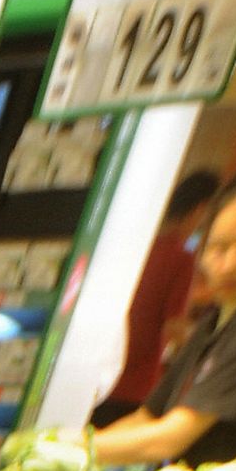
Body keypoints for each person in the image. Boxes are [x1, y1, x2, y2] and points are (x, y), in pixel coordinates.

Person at [92, 156, 236, 469]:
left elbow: (169, 437)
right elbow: (148, 416)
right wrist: (69, 451)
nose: (229, 264)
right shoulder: (220, 314)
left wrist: (69, 449)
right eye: (217, 248)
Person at [91, 169, 219, 428]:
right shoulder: (181, 259)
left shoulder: (140, 247)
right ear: (201, 209)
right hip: (134, 385)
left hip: (99, 374)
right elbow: (175, 328)